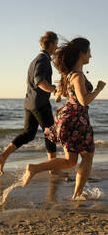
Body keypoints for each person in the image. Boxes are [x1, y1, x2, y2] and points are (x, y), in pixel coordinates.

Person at [22, 37, 106, 199]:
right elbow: (83, 101)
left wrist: (60, 94)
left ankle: (34, 168)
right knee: (87, 156)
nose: (91, 56)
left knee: (70, 161)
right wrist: (98, 89)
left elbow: (63, 95)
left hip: (68, 118)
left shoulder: (69, 75)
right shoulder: (78, 75)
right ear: (82, 53)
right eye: (89, 52)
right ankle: (76, 195)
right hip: (77, 119)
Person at [0, 31, 63, 176]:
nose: (57, 47)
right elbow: (39, 81)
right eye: (56, 44)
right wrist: (54, 89)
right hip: (40, 104)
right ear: (51, 44)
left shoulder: (35, 59)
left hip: (30, 103)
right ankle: (53, 168)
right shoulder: (43, 59)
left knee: (28, 134)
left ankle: (3, 155)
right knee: (51, 133)